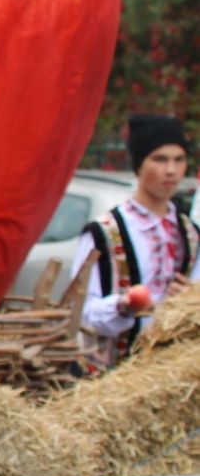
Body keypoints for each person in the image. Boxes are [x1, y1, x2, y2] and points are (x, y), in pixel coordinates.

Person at [74, 113, 198, 369]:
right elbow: (81, 314)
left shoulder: (191, 234)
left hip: (169, 376)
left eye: (179, 160)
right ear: (140, 165)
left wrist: (189, 300)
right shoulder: (104, 233)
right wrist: (124, 305)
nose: (171, 170)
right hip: (108, 380)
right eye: (160, 159)